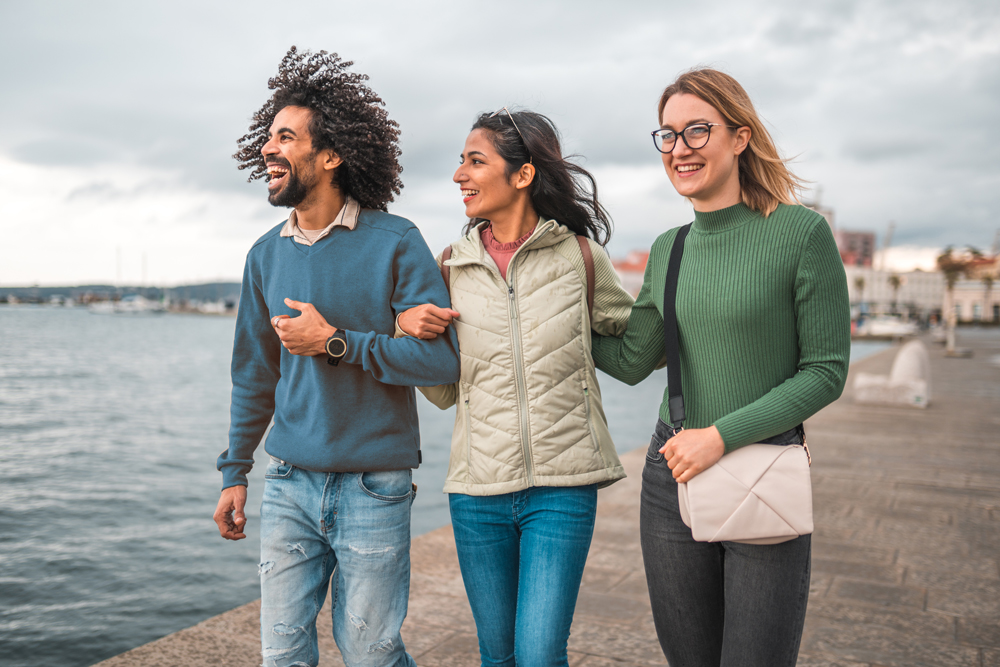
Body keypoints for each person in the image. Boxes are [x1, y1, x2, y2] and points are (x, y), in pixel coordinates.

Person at [590, 68, 850, 666]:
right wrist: (549, 311)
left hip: (762, 464)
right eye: (668, 135)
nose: (680, 148)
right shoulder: (668, 248)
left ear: (740, 137)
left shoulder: (802, 233)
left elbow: (825, 371)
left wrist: (720, 437)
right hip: (671, 472)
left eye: (697, 131)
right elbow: (632, 361)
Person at [212, 47, 460, 667]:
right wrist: (234, 472)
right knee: (282, 654)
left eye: (286, 138)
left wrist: (336, 342)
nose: (270, 149)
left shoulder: (396, 242)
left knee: (371, 654)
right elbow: (253, 374)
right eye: (268, 137)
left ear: (330, 155)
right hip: (289, 482)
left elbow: (442, 366)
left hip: (376, 487)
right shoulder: (264, 255)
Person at [396, 109, 634, 667]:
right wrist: (405, 329)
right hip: (477, 492)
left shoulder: (581, 257)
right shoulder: (451, 266)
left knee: (539, 654)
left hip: (563, 487)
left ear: (523, 175)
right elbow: (444, 389)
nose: (459, 174)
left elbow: (633, 343)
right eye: (460, 161)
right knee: (497, 657)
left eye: (475, 161)